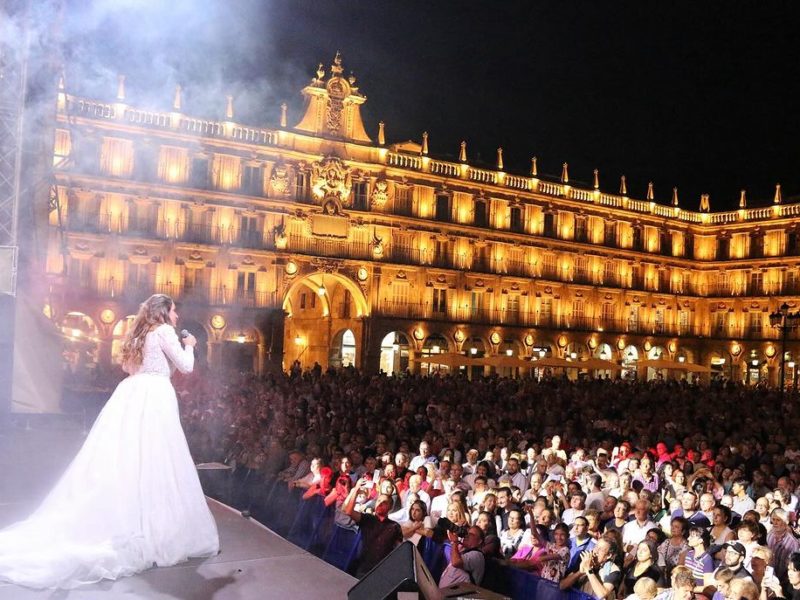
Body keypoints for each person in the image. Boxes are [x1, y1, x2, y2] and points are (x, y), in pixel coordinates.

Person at [0, 294, 219, 589]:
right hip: (154, 397)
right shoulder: (165, 331)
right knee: (156, 459)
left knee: (128, 458)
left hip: (130, 395)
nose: (177, 316)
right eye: (174, 310)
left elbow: (129, 370)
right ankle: (152, 529)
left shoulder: (140, 334)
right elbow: (186, 367)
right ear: (164, 312)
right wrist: (189, 347)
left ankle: (135, 521)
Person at [343, 477, 403, 578]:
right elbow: (349, 511)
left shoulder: (395, 526)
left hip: (381, 570)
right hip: (363, 566)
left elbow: (398, 549)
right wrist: (356, 490)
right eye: (379, 500)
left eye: (384, 503)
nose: (380, 503)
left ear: (390, 507)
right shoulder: (368, 518)